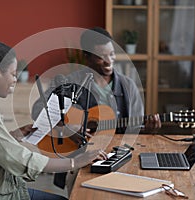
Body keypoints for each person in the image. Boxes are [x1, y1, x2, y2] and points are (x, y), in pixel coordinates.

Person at [0, 40, 107, 200]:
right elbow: (19, 159)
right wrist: (75, 162)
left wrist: (13, 135)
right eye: (13, 74)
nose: (15, 79)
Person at [31, 27, 161, 191]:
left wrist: (148, 130)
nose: (109, 61)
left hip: (119, 158)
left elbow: (135, 130)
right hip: (80, 160)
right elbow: (38, 110)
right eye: (101, 57)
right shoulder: (70, 82)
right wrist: (68, 128)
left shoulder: (128, 86)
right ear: (87, 58)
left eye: (112, 54)